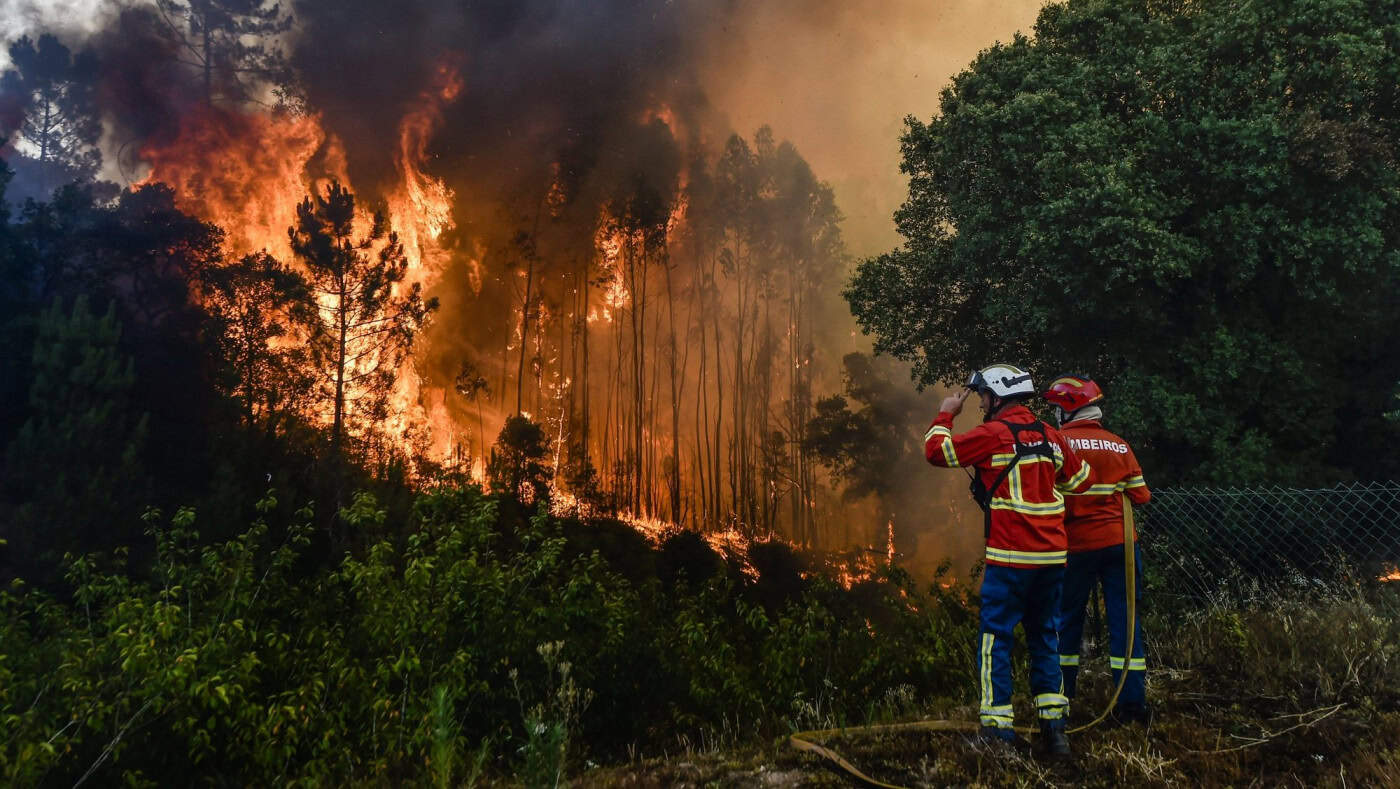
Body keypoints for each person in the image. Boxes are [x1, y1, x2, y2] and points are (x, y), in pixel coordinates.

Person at [924, 364, 1092, 757]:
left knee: (995, 638)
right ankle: (1055, 733)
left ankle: (998, 733)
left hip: (1011, 558)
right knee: (1045, 638)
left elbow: (937, 451)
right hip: (1052, 559)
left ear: (997, 395)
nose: (981, 402)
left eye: (983, 396)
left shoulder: (992, 434)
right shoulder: (1051, 437)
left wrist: (947, 411)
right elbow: (1079, 480)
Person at [1042, 375, 1152, 726]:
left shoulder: (1059, 444)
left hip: (1076, 546)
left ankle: (1060, 700)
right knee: (1126, 622)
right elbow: (1141, 496)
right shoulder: (1120, 445)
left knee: (1066, 621)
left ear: (1066, 410)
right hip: (1121, 545)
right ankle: (1132, 705)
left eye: (1056, 408)